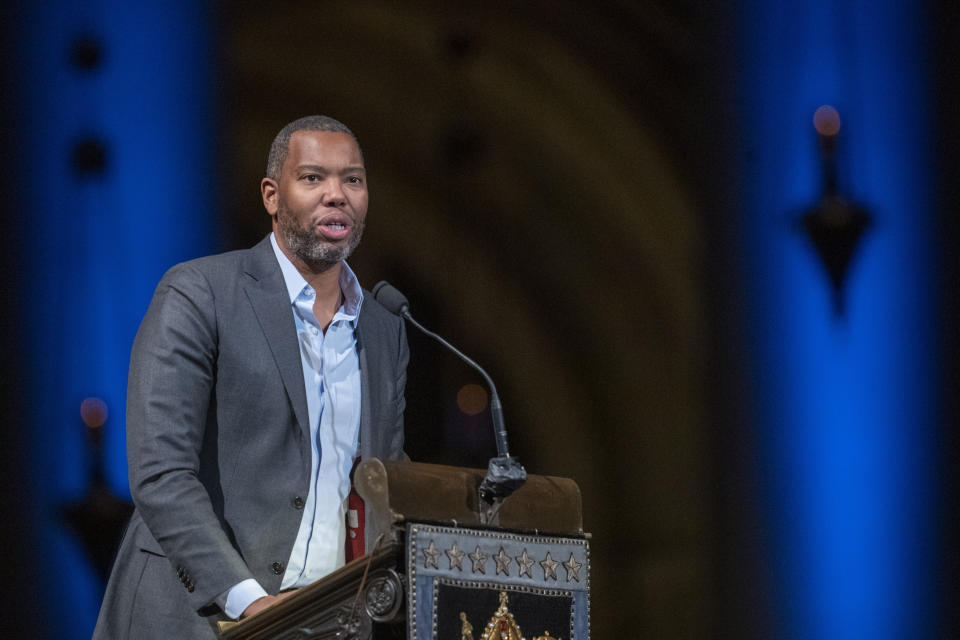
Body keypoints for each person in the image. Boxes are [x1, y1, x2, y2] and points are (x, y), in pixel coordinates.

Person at [93, 115, 408, 639]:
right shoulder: (200, 293)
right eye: (313, 178)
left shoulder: (384, 327)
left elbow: (385, 483)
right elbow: (161, 474)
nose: (337, 194)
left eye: (352, 179)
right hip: (198, 616)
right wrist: (251, 605)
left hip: (327, 621)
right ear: (271, 195)